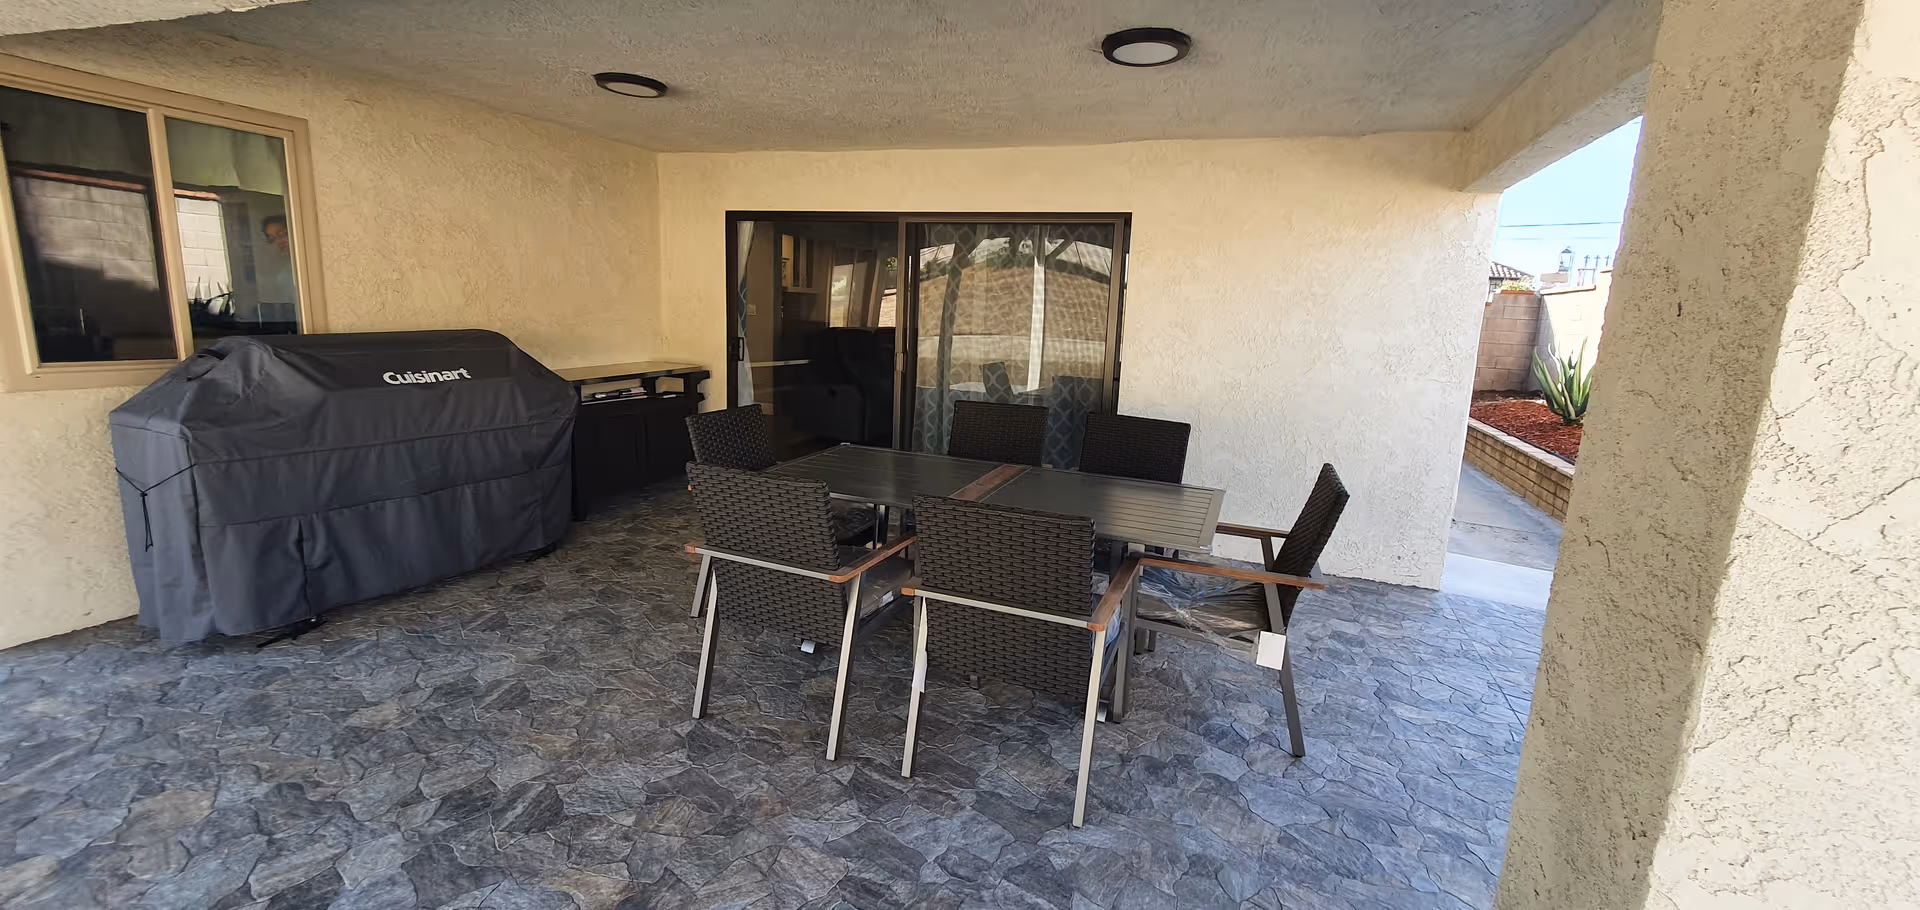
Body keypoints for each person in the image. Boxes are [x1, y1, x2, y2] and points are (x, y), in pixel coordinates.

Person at [257, 213, 297, 326]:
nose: (279, 241)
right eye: (272, 238)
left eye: (282, 234)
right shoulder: (284, 274)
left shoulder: (309, 266)